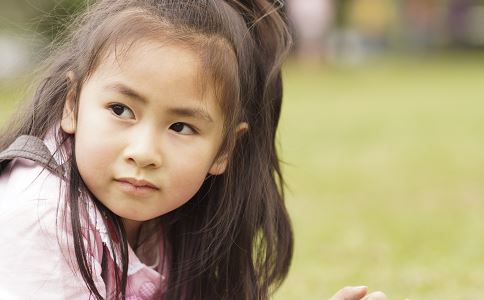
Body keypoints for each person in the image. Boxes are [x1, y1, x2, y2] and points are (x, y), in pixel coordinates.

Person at [0, 0, 387, 299]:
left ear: (223, 151)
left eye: (181, 127)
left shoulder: (168, 220)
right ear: (73, 105)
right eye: (121, 110)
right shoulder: (38, 212)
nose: (144, 151)